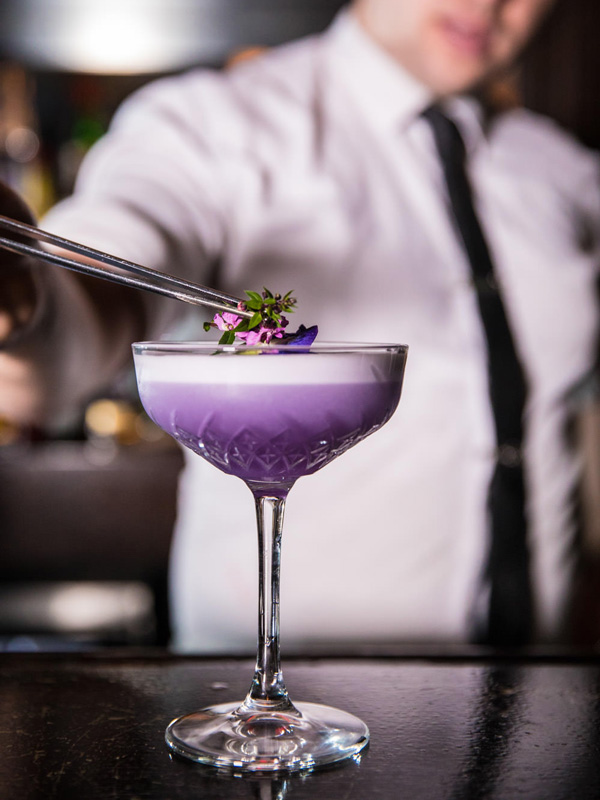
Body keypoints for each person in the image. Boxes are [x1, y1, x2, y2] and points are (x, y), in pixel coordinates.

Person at [1, 0, 598, 652]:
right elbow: (95, 304)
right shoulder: (211, 125)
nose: (488, 2)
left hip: (541, 689)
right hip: (287, 708)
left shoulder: (560, 169)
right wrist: (26, 301)